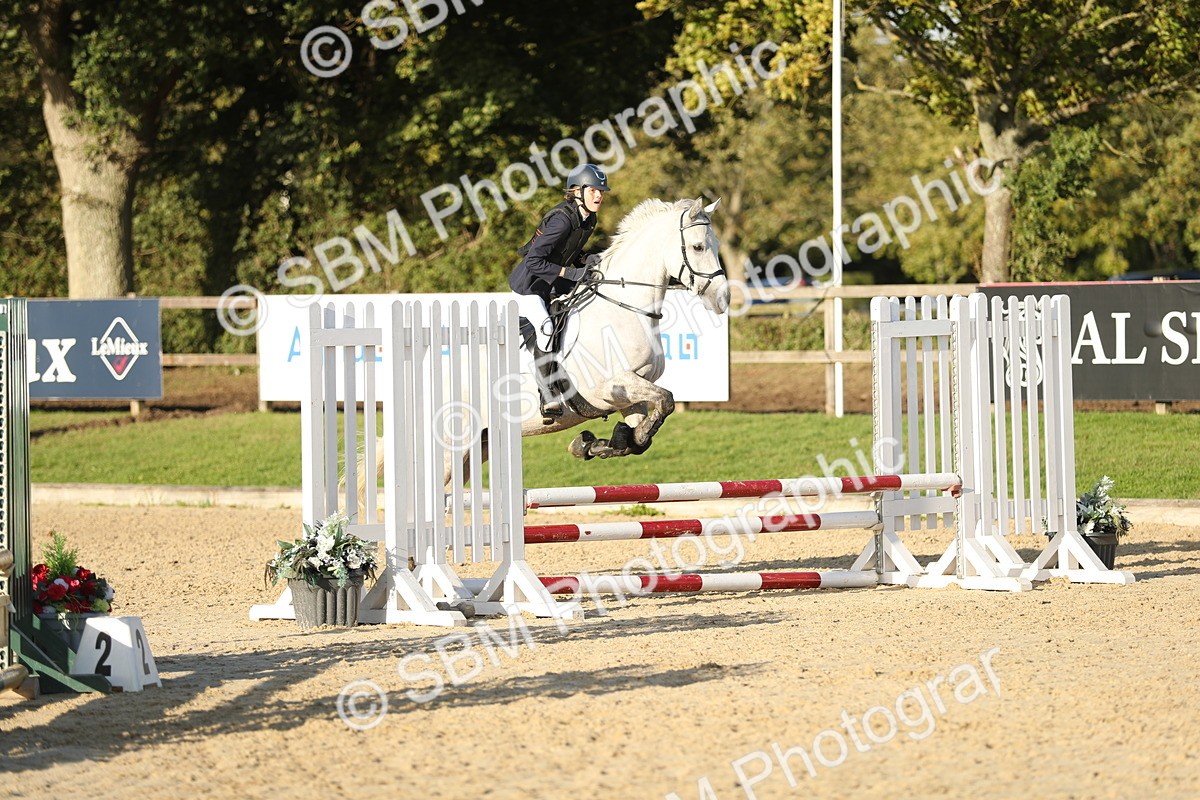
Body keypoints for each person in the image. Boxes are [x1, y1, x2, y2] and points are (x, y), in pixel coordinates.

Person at [509, 163, 609, 418]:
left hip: (551, 285)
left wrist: (584, 260)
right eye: (594, 190)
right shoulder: (562, 220)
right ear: (577, 191)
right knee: (547, 328)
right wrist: (569, 273)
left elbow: (566, 252)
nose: (599, 195)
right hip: (529, 287)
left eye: (601, 191)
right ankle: (547, 395)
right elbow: (533, 260)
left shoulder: (589, 219)